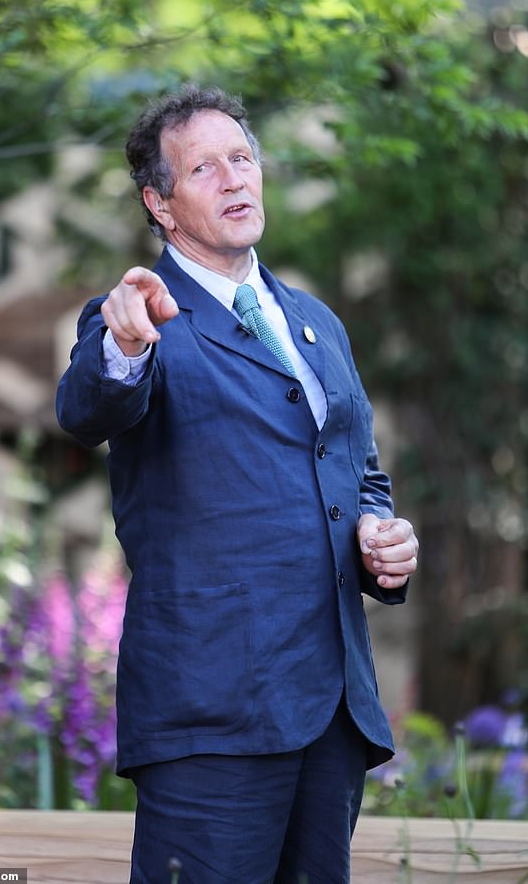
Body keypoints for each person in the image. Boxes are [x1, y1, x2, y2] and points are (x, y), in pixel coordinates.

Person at [56, 85, 419, 884]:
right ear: (161, 203)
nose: (234, 179)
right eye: (204, 168)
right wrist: (122, 342)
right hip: (211, 712)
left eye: (243, 158)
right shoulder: (138, 317)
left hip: (331, 709)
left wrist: (381, 538)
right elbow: (86, 407)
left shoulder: (315, 321)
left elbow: (358, 472)